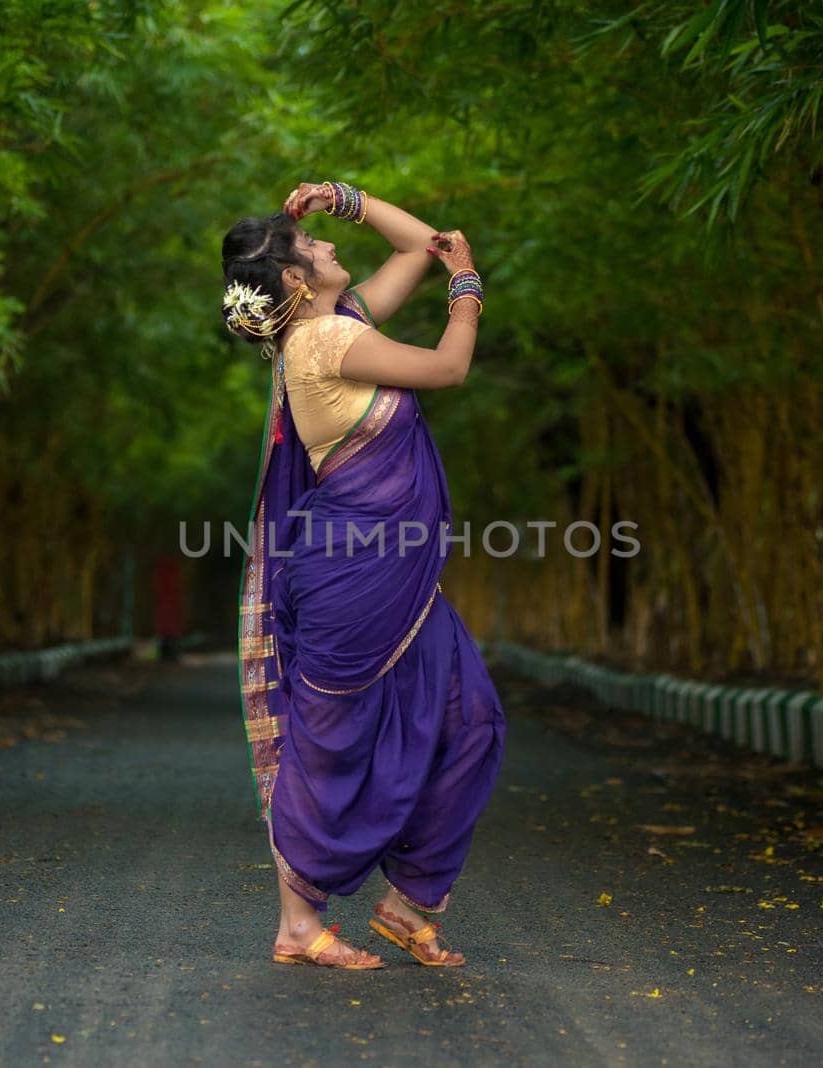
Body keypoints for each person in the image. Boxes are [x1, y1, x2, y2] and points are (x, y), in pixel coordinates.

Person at [222, 182, 505, 969]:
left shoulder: (333, 328)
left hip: (395, 575)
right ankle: (298, 922)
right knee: (331, 740)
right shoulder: (324, 346)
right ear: (295, 282)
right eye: (309, 245)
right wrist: (468, 288)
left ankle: (407, 903)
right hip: (353, 573)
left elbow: (424, 242)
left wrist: (347, 200)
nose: (329, 245)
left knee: (471, 721)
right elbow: (448, 368)